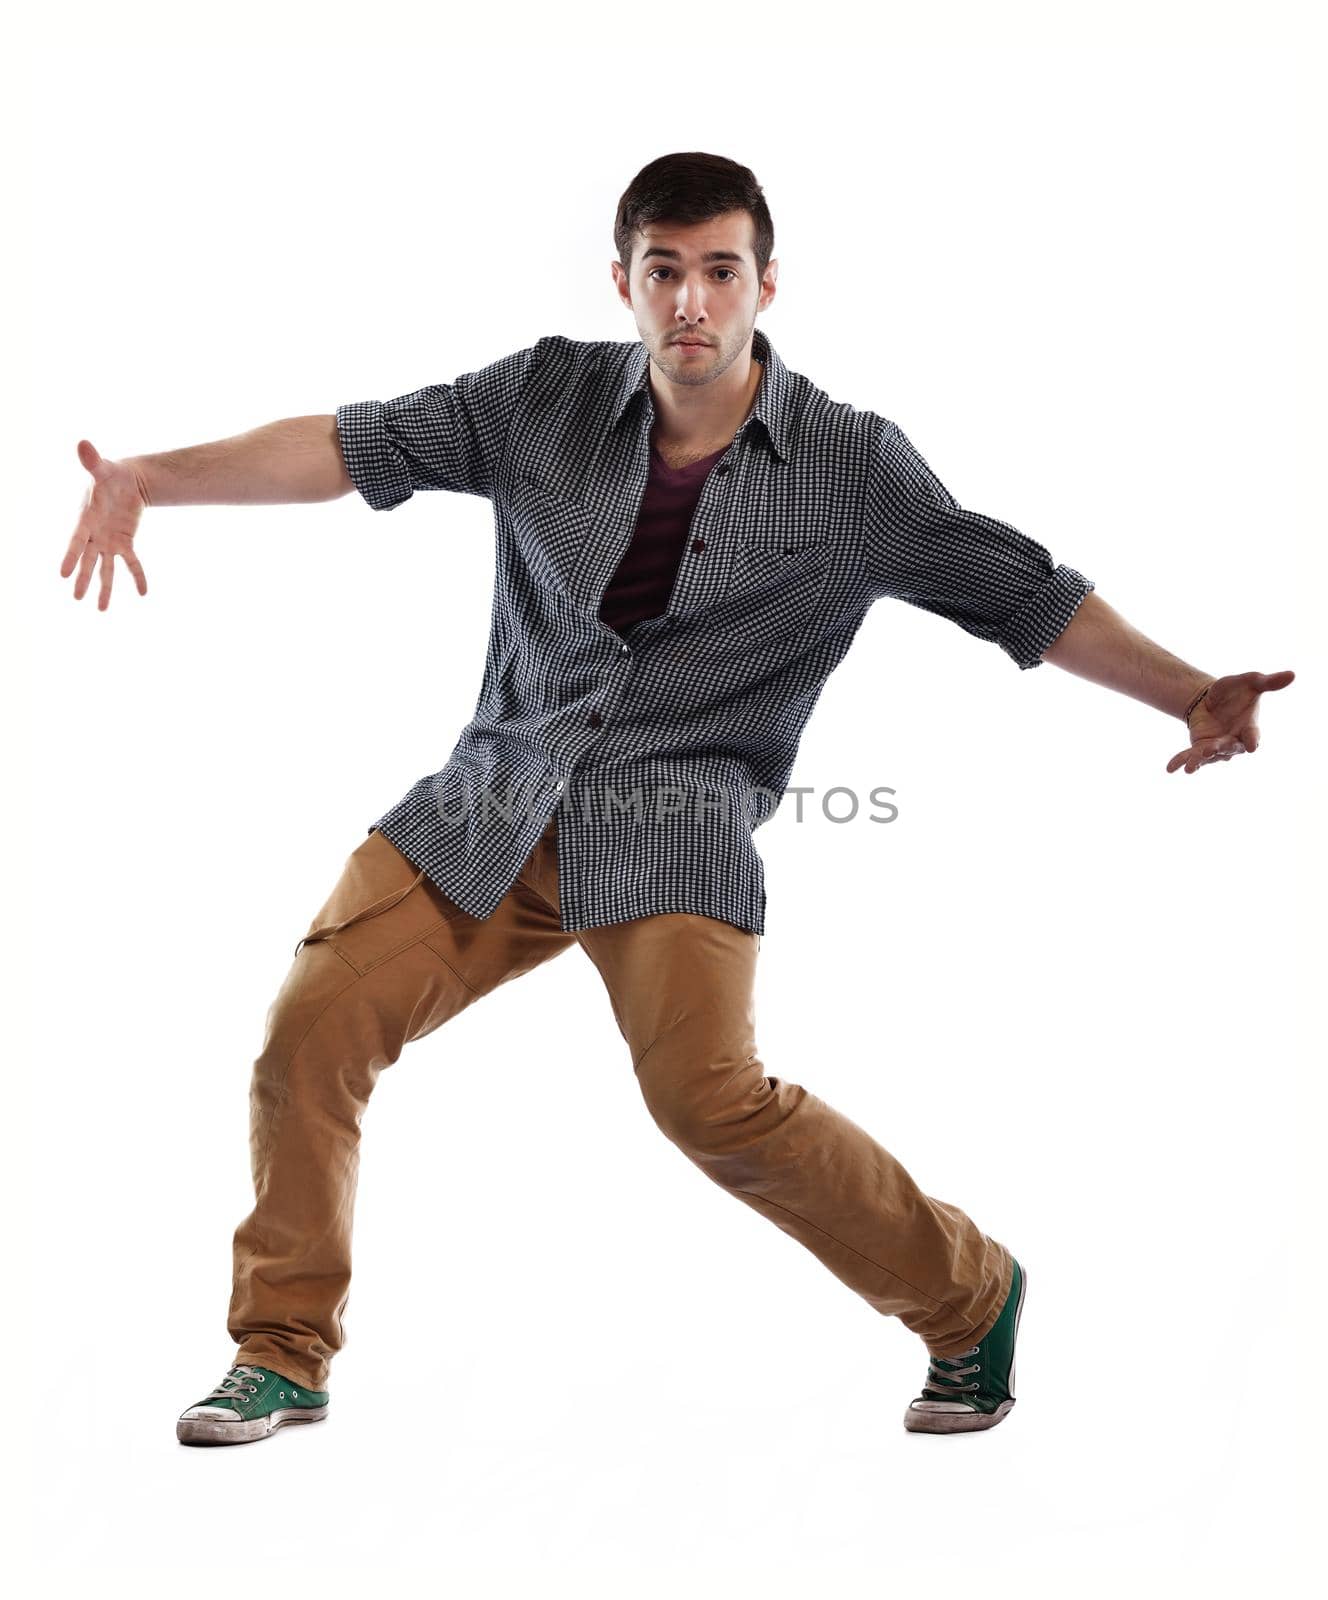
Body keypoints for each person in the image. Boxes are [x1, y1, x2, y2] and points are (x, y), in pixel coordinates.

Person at [61, 152, 1294, 1448]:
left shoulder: (850, 471)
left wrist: (1191, 691)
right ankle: (281, 1356)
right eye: (665, 272)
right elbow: (348, 444)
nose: (691, 301)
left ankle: (970, 1292)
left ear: (766, 285)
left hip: (674, 832)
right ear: (625, 283)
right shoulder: (539, 398)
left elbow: (1026, 594)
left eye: (719, 271)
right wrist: (152, 476)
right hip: (494, 803)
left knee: (708, 1099)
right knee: (310, 1029)